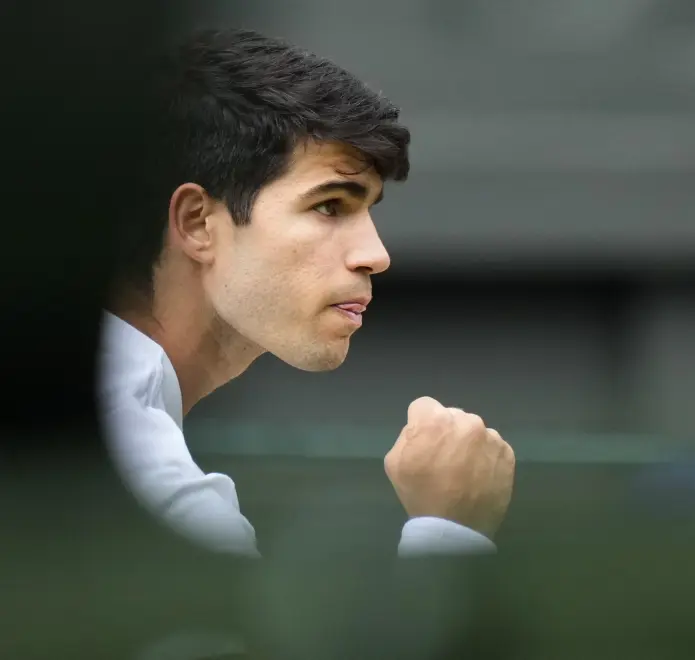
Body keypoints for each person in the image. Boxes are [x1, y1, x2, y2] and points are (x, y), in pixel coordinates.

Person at [98, 27, 516, 560]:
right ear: (198, 222)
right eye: (330, 205)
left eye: (367, 209)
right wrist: (450, 528)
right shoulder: (143, 471)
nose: (376, 254)